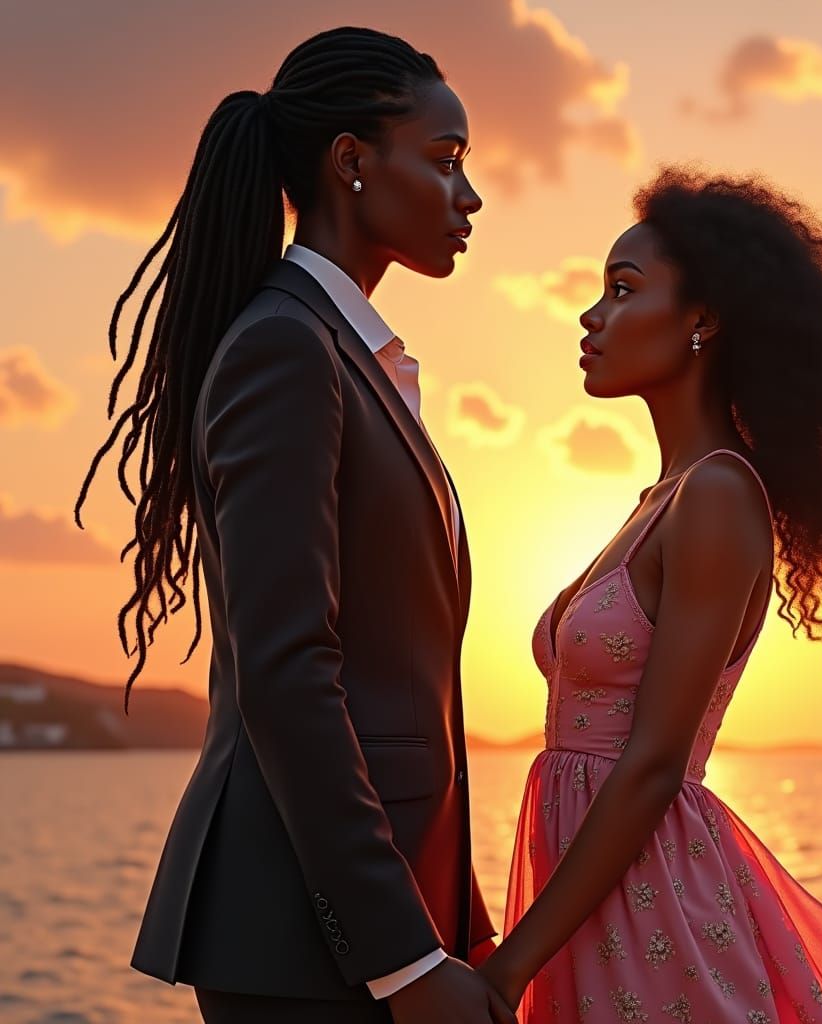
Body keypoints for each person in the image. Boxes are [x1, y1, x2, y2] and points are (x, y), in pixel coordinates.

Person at [75, 26, 514, 1024]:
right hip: (302, 942)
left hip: (364, 922)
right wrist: (403, 957)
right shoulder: (288, 348)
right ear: (351, 163)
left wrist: (451, 914)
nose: (469, 195)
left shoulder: (346, 355)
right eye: (444, 161)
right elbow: (288, 673)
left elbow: (398, 691)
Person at [479, 167, 822, 1022]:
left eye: (623, 289)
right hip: (592, 905)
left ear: (703, 321)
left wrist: (508, 970)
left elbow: (651, 766)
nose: (591, 314)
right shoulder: (661, 499)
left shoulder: (716, 493)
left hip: (653, 910)